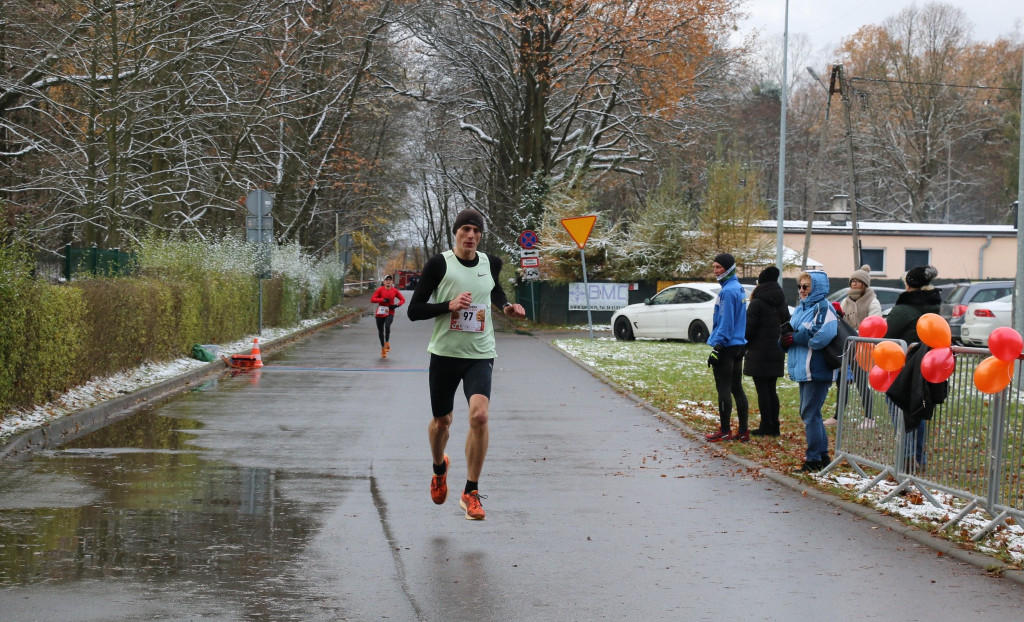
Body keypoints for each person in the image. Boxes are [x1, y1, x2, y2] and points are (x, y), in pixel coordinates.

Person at [407, 208, 526, 520]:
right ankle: (439, 467)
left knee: (480, 416)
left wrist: (507, 306)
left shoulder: (490, 263)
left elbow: (494, 290)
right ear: (456, 233)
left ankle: (470, 491)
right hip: (445, 354)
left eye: (476, 231)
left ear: (481, 235)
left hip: (480, 353)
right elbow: (414, 310)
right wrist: (449, 305)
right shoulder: (439, 264)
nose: (471, 236)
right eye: (465, 230)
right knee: (441, 423)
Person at [884, 264, 942, 470]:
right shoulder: (934, 307)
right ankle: (918, 458)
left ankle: (907, 460)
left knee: (900, 410)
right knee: (919, 410)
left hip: (903, 369)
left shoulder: (903, 309)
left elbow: (886, 334)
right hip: (925, 368)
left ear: (909, 285)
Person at [782, 270, 838, 472]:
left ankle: (814, 459)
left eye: (806, 286)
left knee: (810, 413)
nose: (802, 290)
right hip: (804, 368)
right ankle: (822, 456)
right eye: (799, 286)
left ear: (817, 288)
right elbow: (790, 331)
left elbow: (822, 334)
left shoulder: (824, 307)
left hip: (817, 368)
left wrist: (795, 337)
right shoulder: (801, 308)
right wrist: (784, 340)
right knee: (809, 413)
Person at [825, 265, 882, 426]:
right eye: (852, 281)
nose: (854, 284)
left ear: (865, 284)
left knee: (861, 382)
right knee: (841, 382)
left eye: (857, 281)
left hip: (863, 348)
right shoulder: (846, 301)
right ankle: (837, 417)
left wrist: (855, 333)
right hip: (846, 346)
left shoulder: (873, 301)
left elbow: (875, 323)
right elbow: (841, 322)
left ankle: (870, 418)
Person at [704, 252, 750, 442]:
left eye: (719, 267)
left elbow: (726, 322)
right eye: (714, 267)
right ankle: (743, 431)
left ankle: (724, 430)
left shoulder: (727, 291)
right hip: (739, 345)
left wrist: (717, 348)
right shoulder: (738, 288)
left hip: (727, 346)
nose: (715, 271)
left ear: (728, 268)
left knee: (724, 388)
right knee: (736, 387)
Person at [744, 266, 790, 437]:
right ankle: (774, 426)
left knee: (762, 390)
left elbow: (748, 331)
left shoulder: (757, 303)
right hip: (776, 350)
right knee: (771, 389)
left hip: (759, 353)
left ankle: (765, 426)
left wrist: (744, 346)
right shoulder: (782, 302)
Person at [370, 275, 406, 358]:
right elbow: (372, 299)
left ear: (392, 282)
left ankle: (387, 343)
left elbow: (403, 300)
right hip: (380, 313)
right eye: (386, 280)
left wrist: (396, 305)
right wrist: (382, 299)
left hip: (390, 312)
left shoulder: (394, 291)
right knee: (380, 331)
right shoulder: (380, 290)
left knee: (387, 326)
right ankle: (383, 348)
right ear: (384, 282)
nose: (388, 281)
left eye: (390, 280)